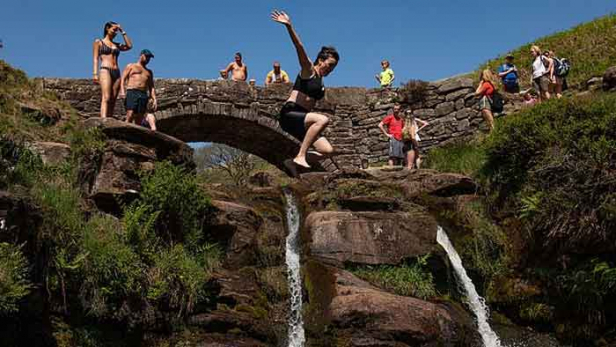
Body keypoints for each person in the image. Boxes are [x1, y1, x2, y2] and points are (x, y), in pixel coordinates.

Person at [271, 10, 339, 172]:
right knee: (322, 120)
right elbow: (299, 47)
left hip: (302, 122)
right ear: (320, 60)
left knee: (327, 151)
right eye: (329, 65)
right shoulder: (309, 70)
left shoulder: (321, 81)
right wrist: (289, 26)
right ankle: (300, 155)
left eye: (334, 67)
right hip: (290, 114)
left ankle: (291, 162)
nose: (331, 69)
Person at [92, 21, 133, 118]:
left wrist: (122, 31)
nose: (115, 33)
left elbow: (129, 46)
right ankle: (103, 120)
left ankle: (109, 119)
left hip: (116, 72)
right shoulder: (99, 42)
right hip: (105, 69)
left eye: (116, 31)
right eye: (114, 30)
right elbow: (95, 58)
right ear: (107, 28)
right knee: (106, 97)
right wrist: (95, 73)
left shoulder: (116, 44)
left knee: (113, 99)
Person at [120, 49, 157, 129]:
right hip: (132, 91)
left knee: (139, 117)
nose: (148, 59)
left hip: (143, 94)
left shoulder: (149, 72)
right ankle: (124, 130)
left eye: (149, 58)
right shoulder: (131, 66)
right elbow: (122, 79)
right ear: (141, 55)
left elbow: (151, 87)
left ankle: (136, 136)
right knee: (130, 113)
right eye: (146, 57)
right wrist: (122, 91)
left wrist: (154, 99)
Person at [379, 103, 412, 167]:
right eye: (395, 109)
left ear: (400, 110)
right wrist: (387, 134)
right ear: (393, 110)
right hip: (393, 138)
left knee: (401, 157)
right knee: (392, 156)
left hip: (401, 139)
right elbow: (380, 125)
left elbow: (403, 128)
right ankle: (391, 172)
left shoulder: (401, 119)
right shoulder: (390, 117)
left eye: (397, 109)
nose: (396, 110)